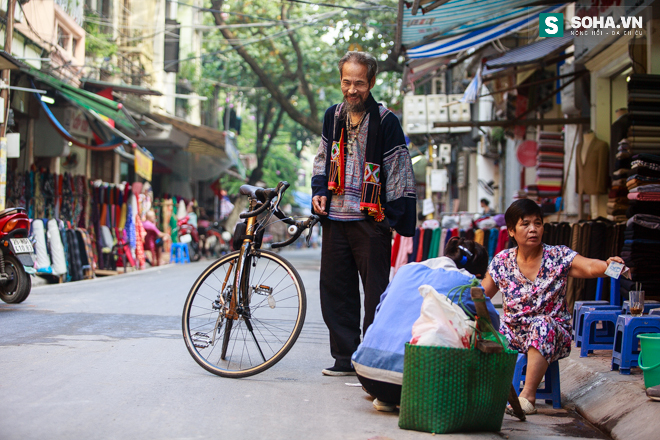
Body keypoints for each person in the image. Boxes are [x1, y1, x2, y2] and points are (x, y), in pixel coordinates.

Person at [311, 51, 417, 376]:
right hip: (336, 220)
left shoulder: (386, 121)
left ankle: (370, 362)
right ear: (340, 81)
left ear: (371, 82)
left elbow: (399, 168)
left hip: (371, 221)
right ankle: (344, 358)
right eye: (346, 82)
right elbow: (321, 159)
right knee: (335, 290)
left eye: (359, 82)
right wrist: (319, 192)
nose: (352, 89)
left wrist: (392, 218)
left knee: (375, 297)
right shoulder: (333, 116)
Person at [481, 199, 625, 415]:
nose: (533, 229)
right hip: (512, 334)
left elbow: (589, 267)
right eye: (525, 224)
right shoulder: (502, 261)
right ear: (511, 231)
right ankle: (481, 393)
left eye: (537, 223)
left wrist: (612, 267)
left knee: (541, 323)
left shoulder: (557, 256)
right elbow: (482, 296)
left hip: (552, 333)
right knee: (479, 329)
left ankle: (527, 397)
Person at [352, 238, 498, 412]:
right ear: (477, 273)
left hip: (366, 372)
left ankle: (386, 397)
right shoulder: (467, 282)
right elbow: (493, 327)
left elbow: (379, 310)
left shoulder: (405, 270)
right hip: (417, 382)